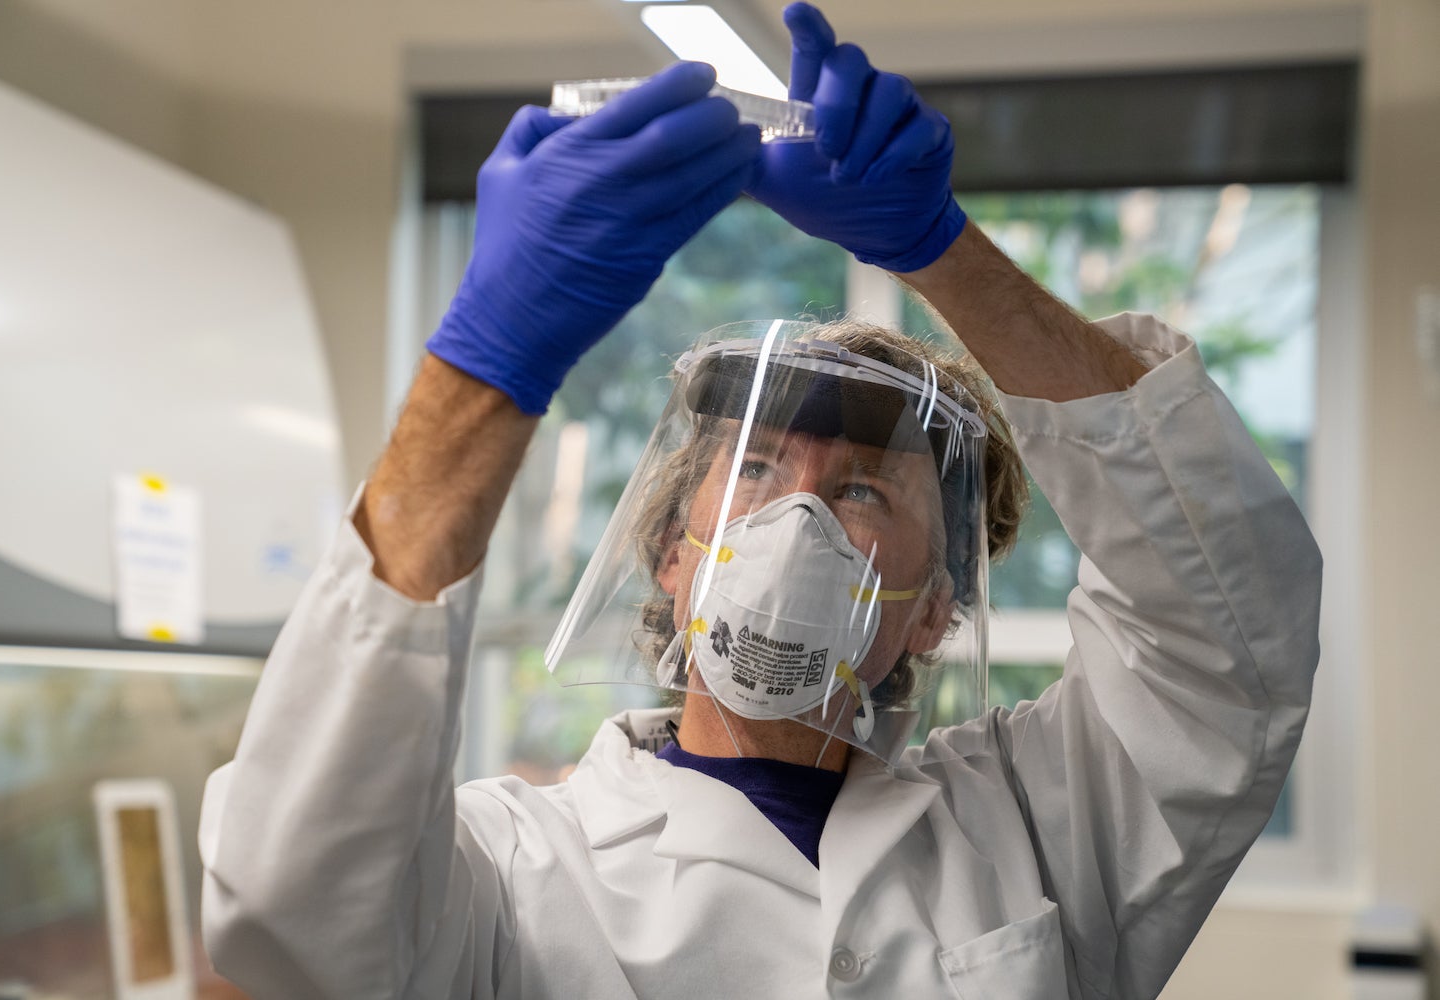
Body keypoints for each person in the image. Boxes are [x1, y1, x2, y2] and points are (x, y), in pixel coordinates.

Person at [198, 4, 1322, 998]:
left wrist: (949, 255)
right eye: (755, 468)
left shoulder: (1041, 825)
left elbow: (1230, 638)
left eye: (865, 486)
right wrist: (485, 364)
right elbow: (296, 923)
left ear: (935, 607)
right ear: (670, 559)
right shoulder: (507, 867)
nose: (801, 520)